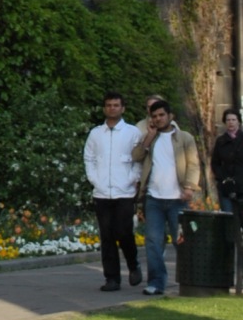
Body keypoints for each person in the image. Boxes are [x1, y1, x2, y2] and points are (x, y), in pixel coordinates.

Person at [132, 96, 200, 296]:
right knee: (153, 242)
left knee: (181, 241)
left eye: (162, 115)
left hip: (177, 199)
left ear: (170, 116)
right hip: (154, 198)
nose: (158, 119)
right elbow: (136, 156)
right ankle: (156, 283)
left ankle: (190, 281)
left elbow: (193, 164)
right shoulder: (150, 137)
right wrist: (148, 137)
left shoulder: (184, 137)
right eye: (154, 116)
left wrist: (189, 187)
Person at [83, 92, 142, 291]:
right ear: (104, 108)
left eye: (116, 105)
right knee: (107, 236)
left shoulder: (132, 132)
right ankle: (112, 278)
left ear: (122, 108)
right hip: (101, 193)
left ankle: (133, 264)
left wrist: (131, 179)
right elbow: (89, 158)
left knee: (124, 232)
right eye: (109, 105)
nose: (112, 108)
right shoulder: (95, 133)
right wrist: (95, 180)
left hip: (124, 192)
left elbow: (138, 160)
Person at [210, 107, 243, 210]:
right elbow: (215, 163)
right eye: (228, 120)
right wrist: (221, 177)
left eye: (233, 120)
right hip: (226, 187)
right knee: (228, 217)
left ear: (238, 121)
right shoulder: (220, 141)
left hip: (241, 185)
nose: (231, 122)